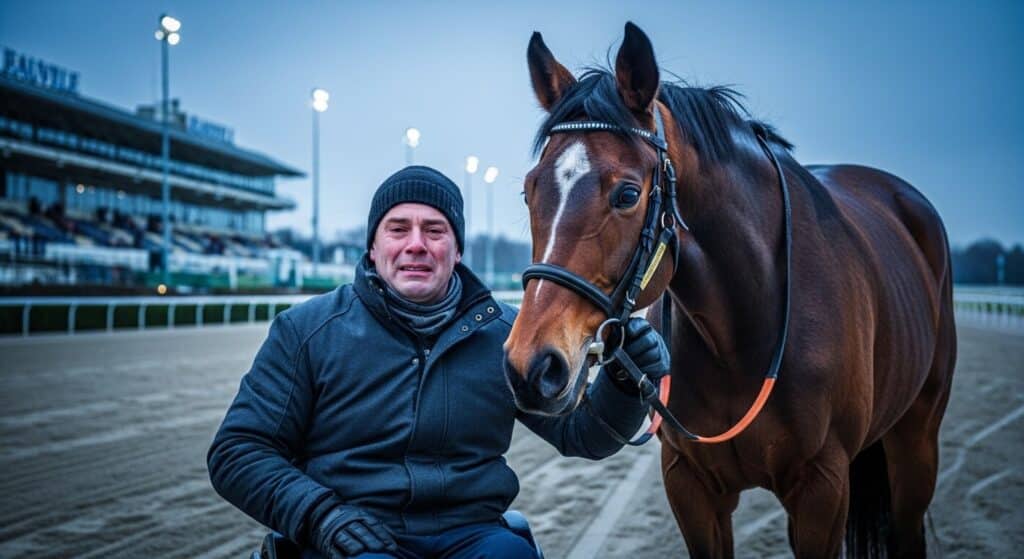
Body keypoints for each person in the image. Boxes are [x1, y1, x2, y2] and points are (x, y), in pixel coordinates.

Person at [207, 166, 669, 559]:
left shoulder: (506, 335)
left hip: (471, 534)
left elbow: (581, 434)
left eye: (434, 231)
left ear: (457, 249)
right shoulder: (306, 330)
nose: (416, 245)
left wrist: (625, 381)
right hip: (350, 533)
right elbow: (238, 451)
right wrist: (320, 516)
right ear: (373, 246)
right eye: (398, 229)